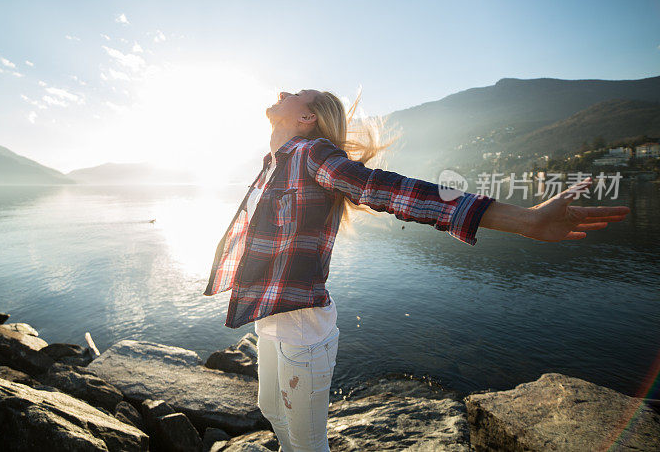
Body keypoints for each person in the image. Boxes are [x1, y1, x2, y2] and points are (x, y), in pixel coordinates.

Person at [203, 89, 630, 451]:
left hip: (303, 328)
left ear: (307, 117)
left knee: (308, 444)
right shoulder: (275, 161)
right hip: (272, 318)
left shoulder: (312, 153)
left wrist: (523, 219)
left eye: (296, 91)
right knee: (271, 411)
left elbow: (386, 189)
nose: (282, 91)